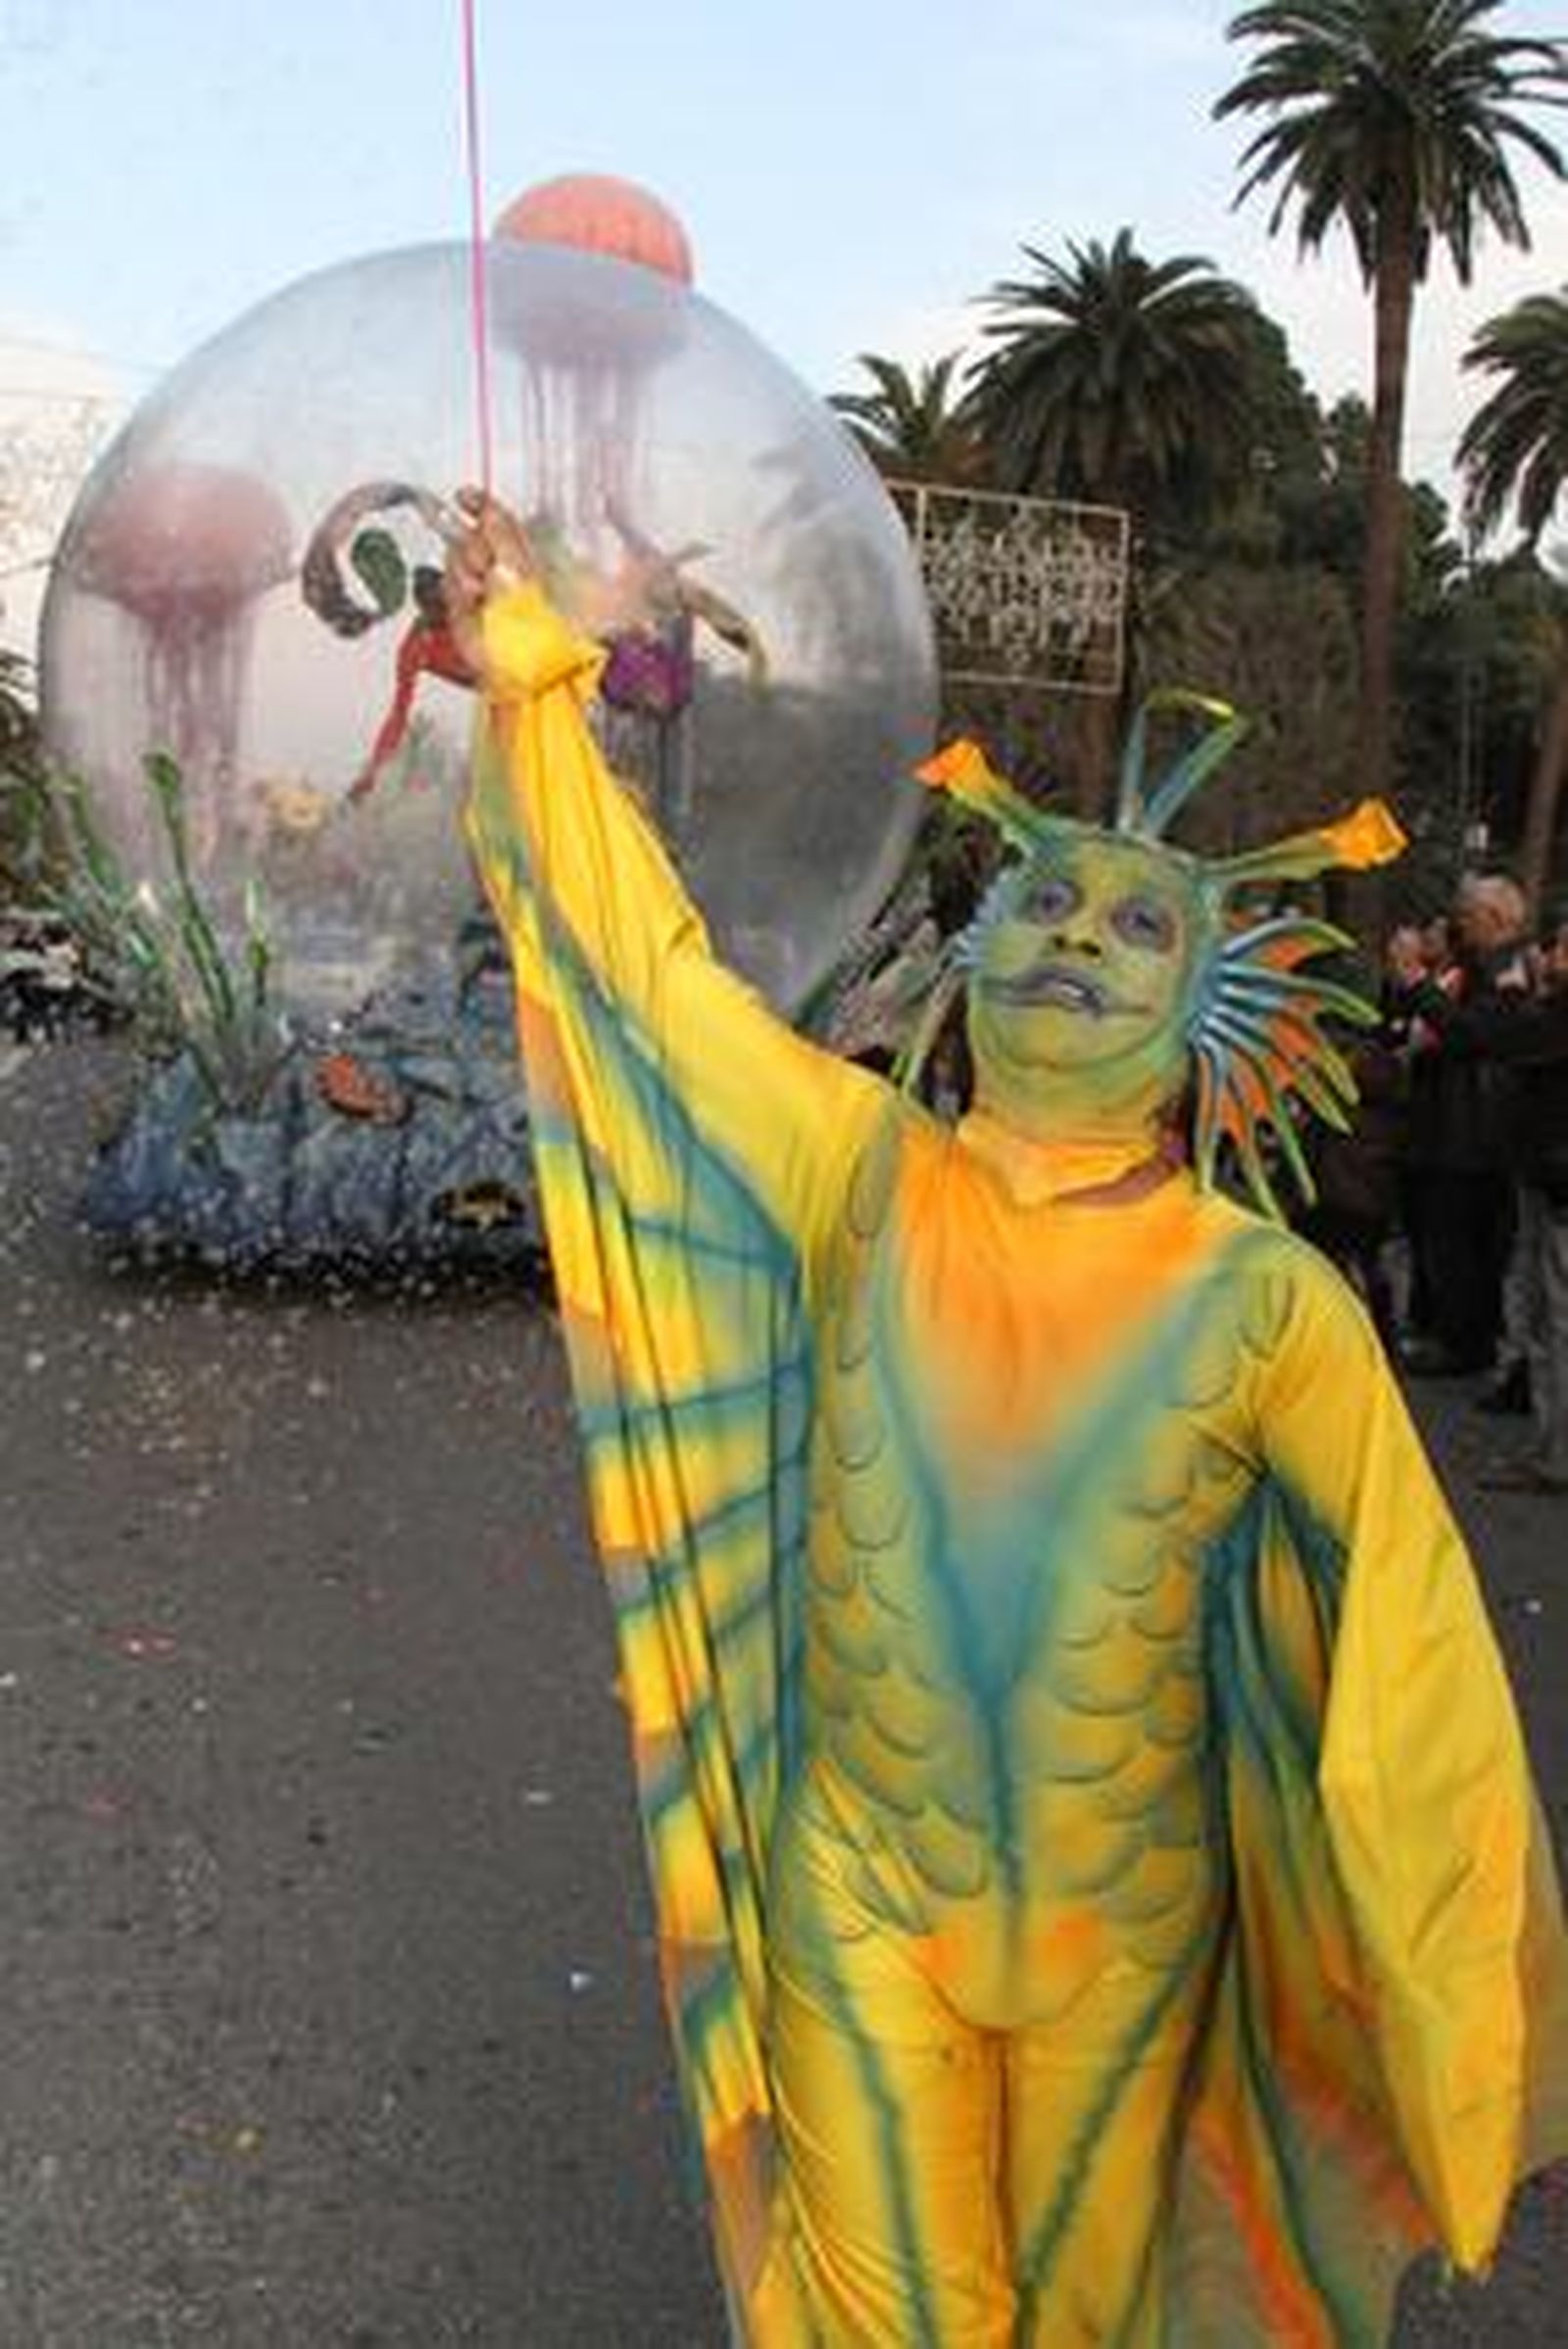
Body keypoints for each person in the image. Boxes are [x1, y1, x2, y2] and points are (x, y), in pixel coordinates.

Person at [445, 495, 1567, 2347]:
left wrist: (1445, 1994)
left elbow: (1413, 1649)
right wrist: (538, 695)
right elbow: (649, 986)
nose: (1078, 937)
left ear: (1215, 1002)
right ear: (976, 949)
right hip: (859, 1893)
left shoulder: (1265, 1298)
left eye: (1140, 923)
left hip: (1127, 1930)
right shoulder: (857, 1167)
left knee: (1080, 2316)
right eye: (1044, 896)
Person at [1438, 900, 1568, 1495]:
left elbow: (1501, 1039)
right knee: (1542, 1312)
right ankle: (1549, 1443)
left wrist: (1520, 997)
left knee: (1554, 1319)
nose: (1550, 956)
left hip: (1556, 1180)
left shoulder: (1549, 1013)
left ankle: (1554, 1454)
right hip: (1540, 1173)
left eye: (1563, 947)